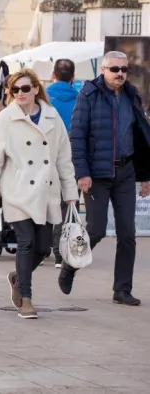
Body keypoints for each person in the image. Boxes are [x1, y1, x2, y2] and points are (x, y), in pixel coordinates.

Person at [0, 69, 78, 319]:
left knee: (43, 248)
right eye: (15, 90)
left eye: (25, 88)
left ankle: (17, 277)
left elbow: (64, 159)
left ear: (36, 88)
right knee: (26, 243)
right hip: (18, 190)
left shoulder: (53, 117)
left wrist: (70, 191)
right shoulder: (6, 118)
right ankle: (26, 298)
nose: (20, 93)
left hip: (46, 191)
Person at [60, 51, 150, 306]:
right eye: (114, 69)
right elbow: (77, 136)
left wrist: (145, 175)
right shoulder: (88, 95)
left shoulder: (132, 95)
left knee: (128, 233)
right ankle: (70, 266)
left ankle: (122, 289)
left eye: (124, 69)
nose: (120, 74)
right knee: (96, 230)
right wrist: (83, 173)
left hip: (126, 172)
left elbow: (141, 136)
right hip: (97, 174)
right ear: (103, 70)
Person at [46, 58, 79, 261]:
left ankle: (41, 248)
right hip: (73, 160)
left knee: (43, 202)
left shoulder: (42, 100)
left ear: (53, 75)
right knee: (65, 203)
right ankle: (60, 252)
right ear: (73, 77)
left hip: (45, 159)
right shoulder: (83, 99)